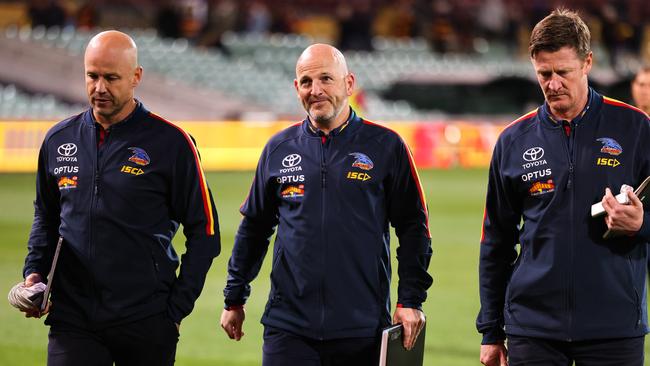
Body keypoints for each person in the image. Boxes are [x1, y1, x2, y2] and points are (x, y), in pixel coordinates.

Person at [220, 43, 432, 365]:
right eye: (306, 82)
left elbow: (414, 228)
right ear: (296, 88)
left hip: (361, 328)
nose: (315, 90)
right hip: (288, 327)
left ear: (348, 84)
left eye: (326, 79)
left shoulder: (386, 146)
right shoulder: (278, 148)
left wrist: (410, 300)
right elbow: (254, 227)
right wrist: (234, 298)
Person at [19, 30, 220, 365]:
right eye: (92, 76)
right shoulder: (58, 140)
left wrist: (175, 309)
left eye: (111, 78)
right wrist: (35, 274)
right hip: (73, 318)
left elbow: (205, 232)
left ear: (136, 77)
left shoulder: (172, 143)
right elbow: (47, 217)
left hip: (146, 319)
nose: (100, 88)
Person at [477, 8, 650, 366]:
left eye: (562, 72)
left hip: (614, 327)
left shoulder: (635, 128)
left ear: (588, 62)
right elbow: (496, 241)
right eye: (544, 74)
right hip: (533, 330)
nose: (553, 84)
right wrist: (491, 332)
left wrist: (640, 224)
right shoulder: (513, 141)